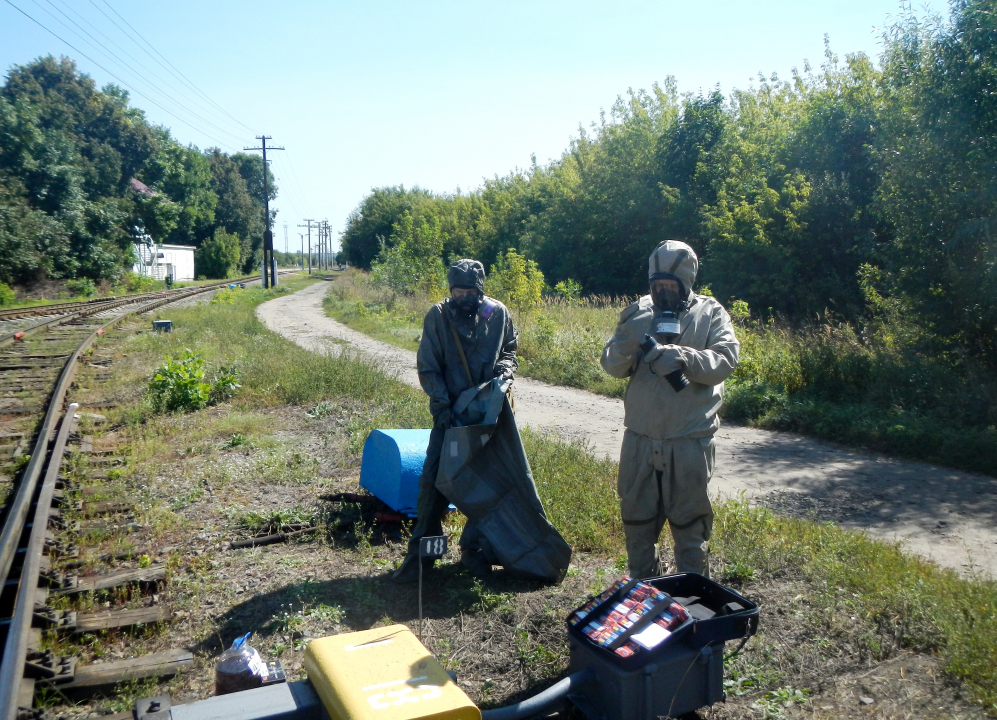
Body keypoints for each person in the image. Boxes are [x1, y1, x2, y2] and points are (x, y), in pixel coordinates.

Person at [600, 240, 739, 578]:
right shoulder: (639, 312)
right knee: (636, 524)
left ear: (686, 282)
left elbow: (725, 360)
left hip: (688, 442)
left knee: (691, 529)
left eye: (670, 285)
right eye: (657, 284)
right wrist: (625, 337)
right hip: (641, 442)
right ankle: (642, 593)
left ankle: (692, 598)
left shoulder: (710, 313)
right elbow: (613, 366)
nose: (662, 292)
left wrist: (684, 357)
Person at [392, 259, 519, 583]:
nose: (464, 297)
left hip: (488, 417)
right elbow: (429, 367)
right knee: (434, 486)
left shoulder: (497, 313)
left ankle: (475, 554)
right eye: (458, 290)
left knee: (488, 487)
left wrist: (505, 370)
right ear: (450, 290)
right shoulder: (439, 316)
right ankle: (423, 559)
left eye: (471, 291)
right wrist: (442, 406)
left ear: (481, 291)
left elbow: (509, 347)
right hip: (450, 416)